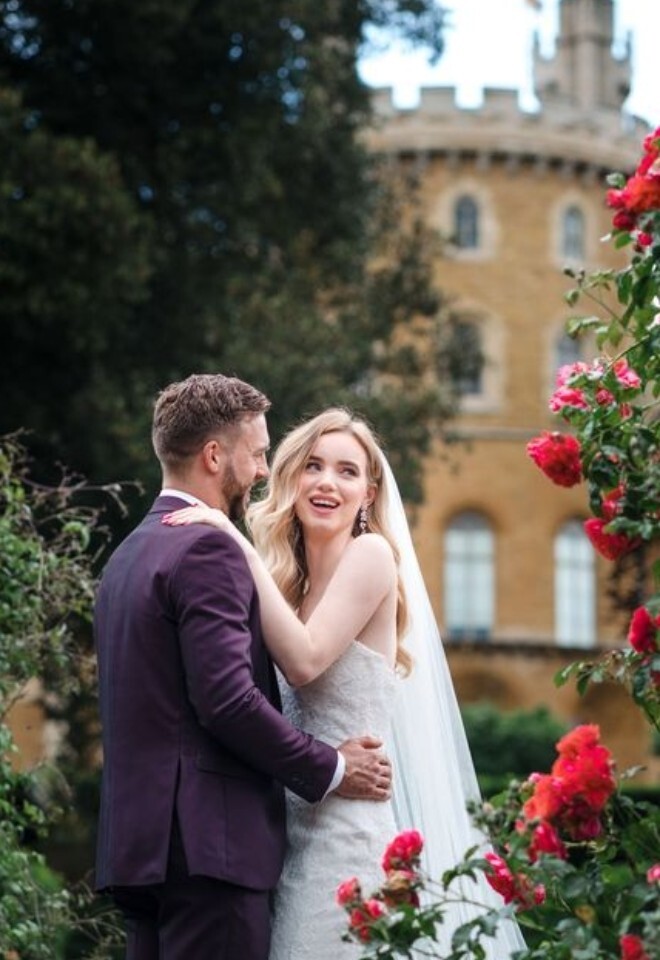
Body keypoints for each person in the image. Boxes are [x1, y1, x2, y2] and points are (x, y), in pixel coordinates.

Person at [163, 407, 526, 960]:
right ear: (292, 478)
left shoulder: (373, 556)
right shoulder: (289, 584)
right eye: (313, 466)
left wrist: (231, 540)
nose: (327, 482)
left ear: (368, 492)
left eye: (347, 471)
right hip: (294, 842)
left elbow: (306, 661)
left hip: (347, 843)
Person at [93, 375, 392, 960]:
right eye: (260, 455)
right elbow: (227, 701)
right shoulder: (209, 549)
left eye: (347, 471)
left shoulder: (128, 555)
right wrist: (331, 766)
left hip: (145, 849)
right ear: (213, 456)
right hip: (212, 850)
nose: (261, 470)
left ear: (371, 492)